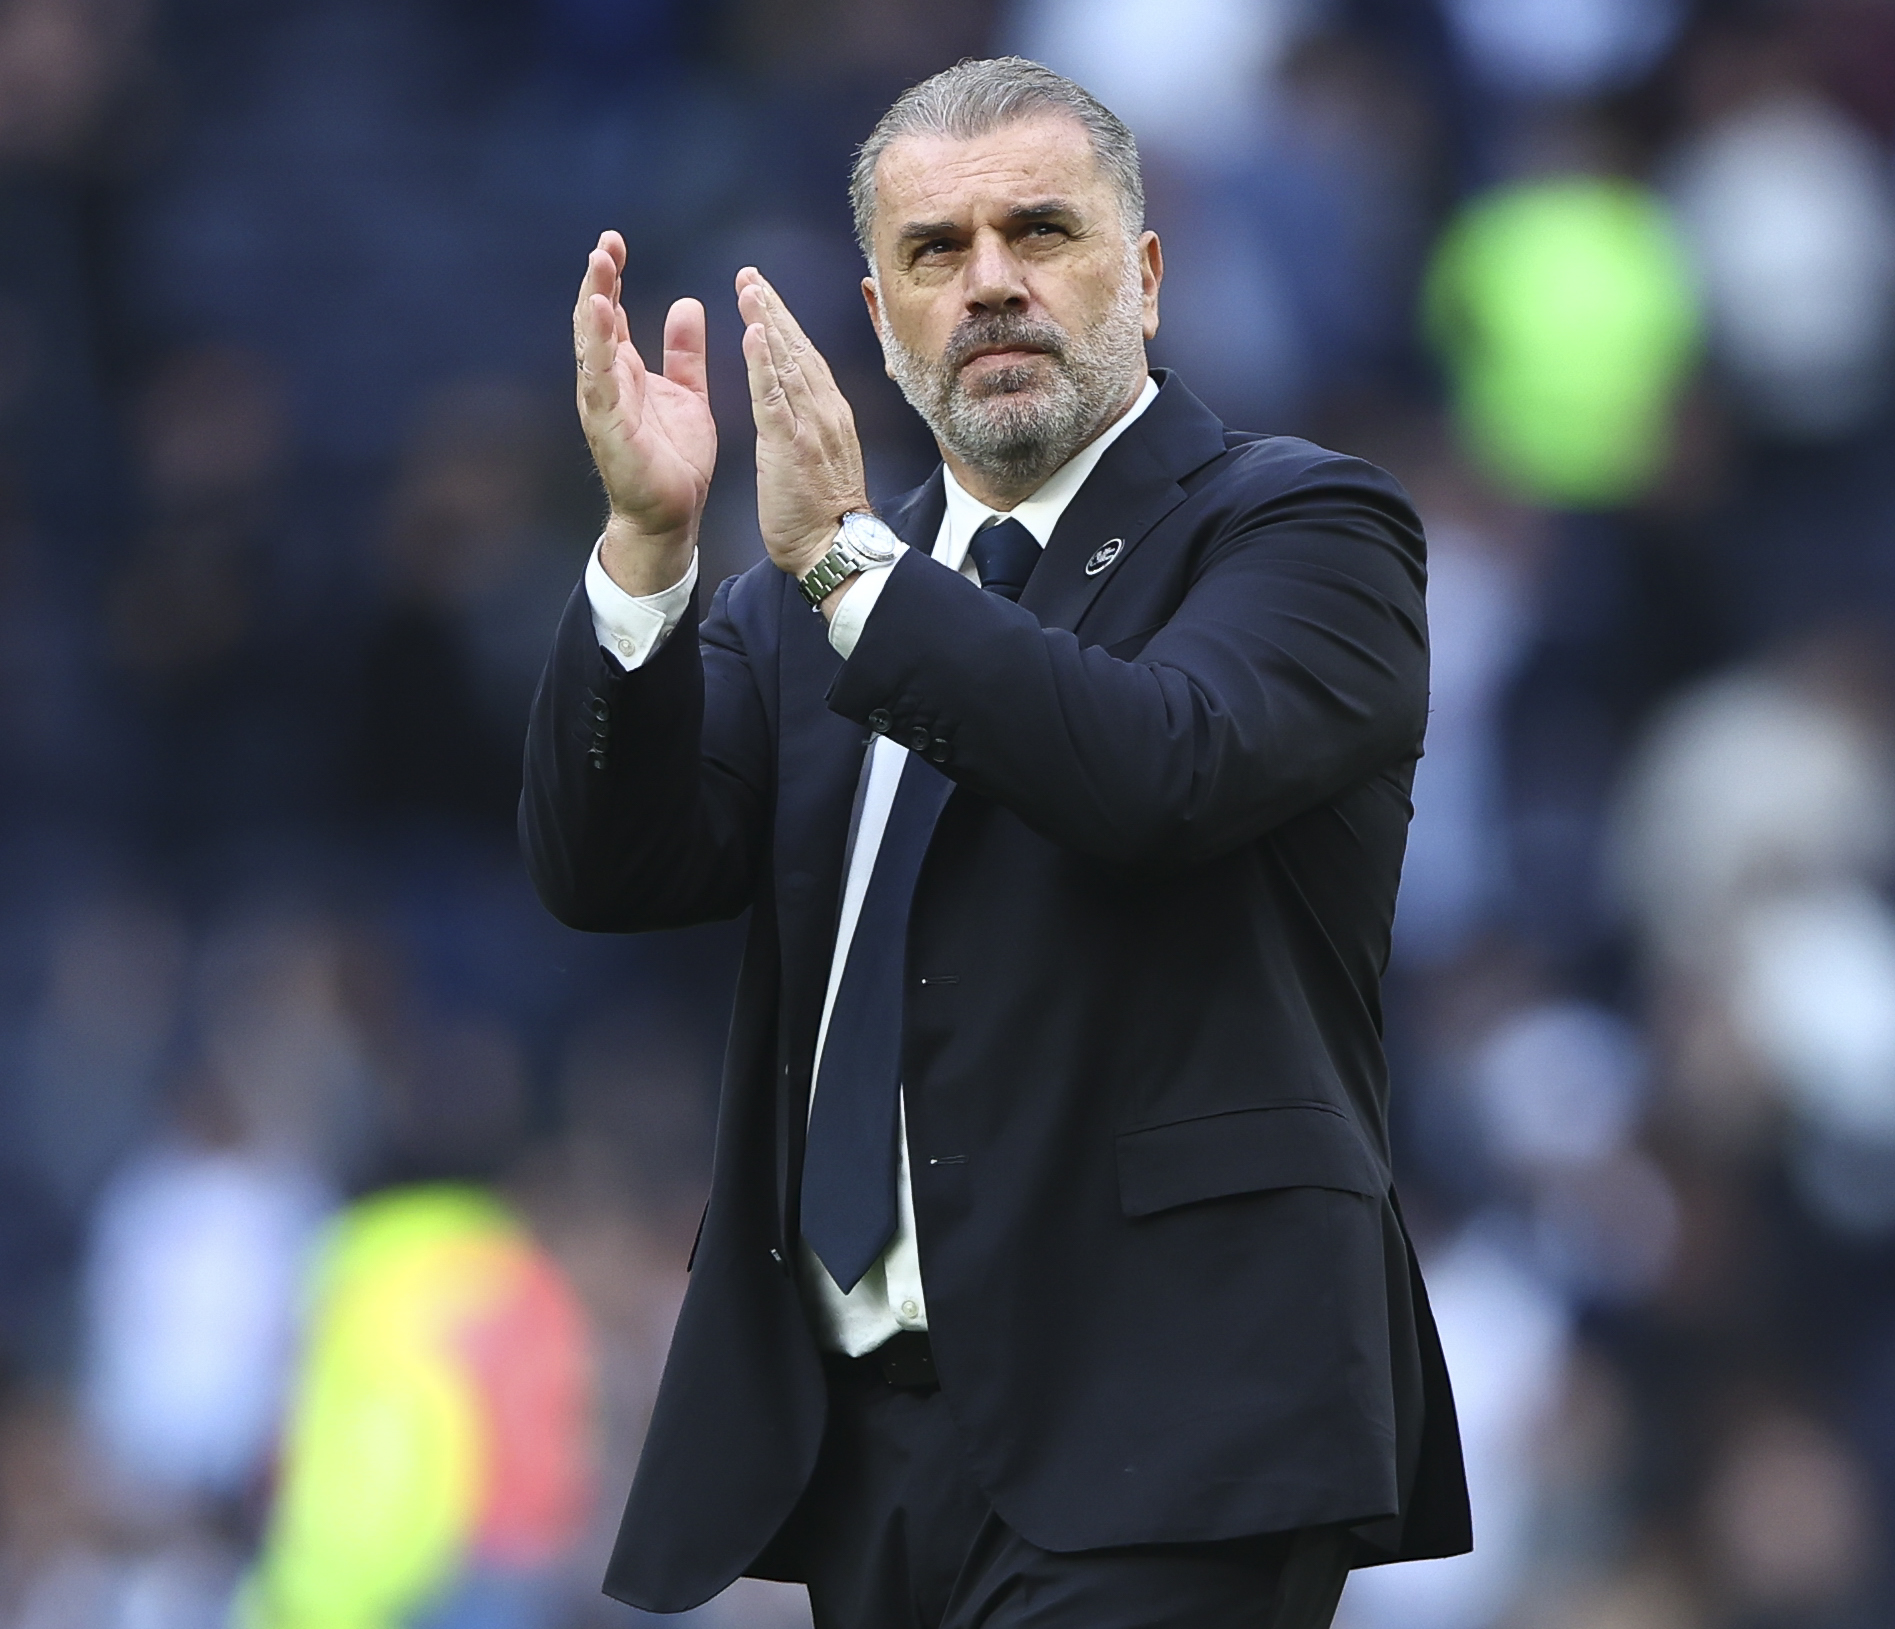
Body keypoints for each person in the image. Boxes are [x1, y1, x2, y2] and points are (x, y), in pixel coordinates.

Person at [522, 56, 1468, 1629]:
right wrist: (647, 546)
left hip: (1175, 1417)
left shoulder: (1303, 528)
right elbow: (609, 869)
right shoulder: (794, 604)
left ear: (1144, 274)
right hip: (868, 1444)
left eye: (1040, 231)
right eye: (935, 251)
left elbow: (1157, 768)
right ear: (881, 315)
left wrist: (849, 568)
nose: (990, 283)